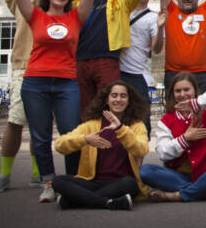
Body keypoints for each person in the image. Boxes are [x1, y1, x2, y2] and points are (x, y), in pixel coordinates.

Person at [1, 0, 111, 203]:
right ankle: (48, 182)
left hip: (65, 84)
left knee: (71, 132)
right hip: (35, 83)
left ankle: (72, 181)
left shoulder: (76, 17)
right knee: (40, 136)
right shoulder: (35, 15)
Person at [0, 0, 62, 194]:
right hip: (25, 66)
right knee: (15, 121)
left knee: (42, 125)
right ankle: (3, 175)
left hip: (49, 67)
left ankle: (38, 174)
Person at [52, 81, 149, 210]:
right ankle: (108, 202)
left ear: (129, 101)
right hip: (92, 181)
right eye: (114, 95)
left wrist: (120, 129)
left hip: (121, 182)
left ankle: (74, 200)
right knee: (58, 181)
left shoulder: (136, 125)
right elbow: (59, 145)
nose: (118, 99)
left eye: (123, 96)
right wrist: (85, 139)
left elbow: (142, 150)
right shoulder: (91, 125)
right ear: (107, 100)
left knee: (130, 183)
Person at [140, 73, 206, 202]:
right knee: (145, 171)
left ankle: (179, 195)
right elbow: (162, 153)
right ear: (172, 94)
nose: (182, 94)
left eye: (186, 90)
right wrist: (184, 139)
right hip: (180, 177)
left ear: (195, 90)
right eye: (178, 91)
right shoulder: (167, 120)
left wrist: (197, 102)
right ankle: (200, 191)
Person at [75, 0, 149, 120]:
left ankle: (109, 135)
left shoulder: (120, 1)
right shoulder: (77, 2)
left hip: (107, 60)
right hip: (79, 60)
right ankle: (87, 136)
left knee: (108, 106)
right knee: (84, 109)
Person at [119, 0, 164, 134]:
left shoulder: (153, 18)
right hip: (115, 71)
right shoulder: (121, 12)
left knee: (141, 122)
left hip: (137, 74)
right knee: (117, 122)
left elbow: (157, 49)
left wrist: (160, 28)